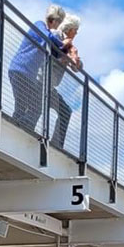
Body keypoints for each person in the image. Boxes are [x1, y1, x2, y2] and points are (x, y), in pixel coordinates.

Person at [8, 4, 65, 131]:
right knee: (33, 105)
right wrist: (60, 38)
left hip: (25, 74)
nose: (58, 27)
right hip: (20, 70)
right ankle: (20, 129)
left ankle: (19, 127)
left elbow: (56, 52)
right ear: (54, 20)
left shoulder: (47, 37)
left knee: (26, 106)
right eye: (59, 23)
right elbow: (49, 37)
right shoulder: (40, 25)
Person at [49, 14, 82, 149]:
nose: (77, 33)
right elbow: (47, 52)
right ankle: (24, 129)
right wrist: (63, 59)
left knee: (65, 111)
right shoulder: (55, 35)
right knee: (36, 109)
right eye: (76, 30)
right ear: (70, 28)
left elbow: (76, 68)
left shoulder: (70, 45)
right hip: (41, 80)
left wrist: (76, 61)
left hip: (50, 86)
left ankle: (56, 144)